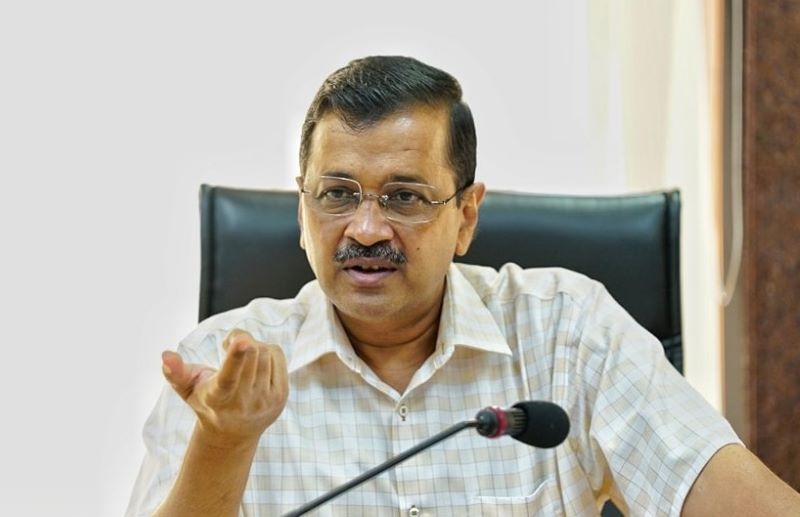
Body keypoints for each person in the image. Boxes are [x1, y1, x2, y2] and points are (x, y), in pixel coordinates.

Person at [126, 56, 800, 516]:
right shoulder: (222, 367)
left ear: (467, 217)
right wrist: (225, 440)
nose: (366, 228)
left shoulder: (568, 333)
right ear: (301, 211)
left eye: (404, 196)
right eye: (337, 194)